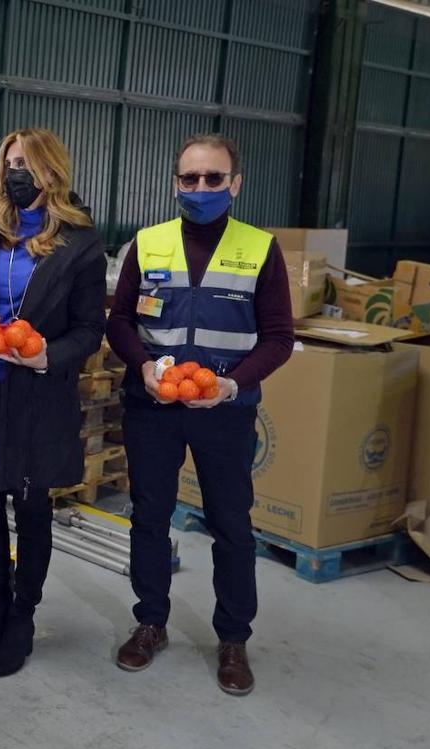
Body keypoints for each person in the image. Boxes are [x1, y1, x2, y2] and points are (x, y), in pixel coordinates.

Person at [106, 133, 294, 696]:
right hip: (154, 407)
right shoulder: (148, 243)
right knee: (149, 516)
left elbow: (279, 338)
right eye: (190, 178)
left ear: (235, 184)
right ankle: (150, 622)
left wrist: (232, 385)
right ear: (175, 183)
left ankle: (233, 638)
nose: (201, 188)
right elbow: (119, 322)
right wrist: (143, 366)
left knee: (231, 524)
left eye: (214, 178)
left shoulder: (260, 249)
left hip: (225, 412)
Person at [0, 129, 106, 677]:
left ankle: (24, 616)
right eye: (11, 163)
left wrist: (47, 356)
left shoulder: (80, 243)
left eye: (29, 165)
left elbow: (89, 329)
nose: (18, 174)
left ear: (52, 173)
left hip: (34, 399)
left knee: (31, 512)